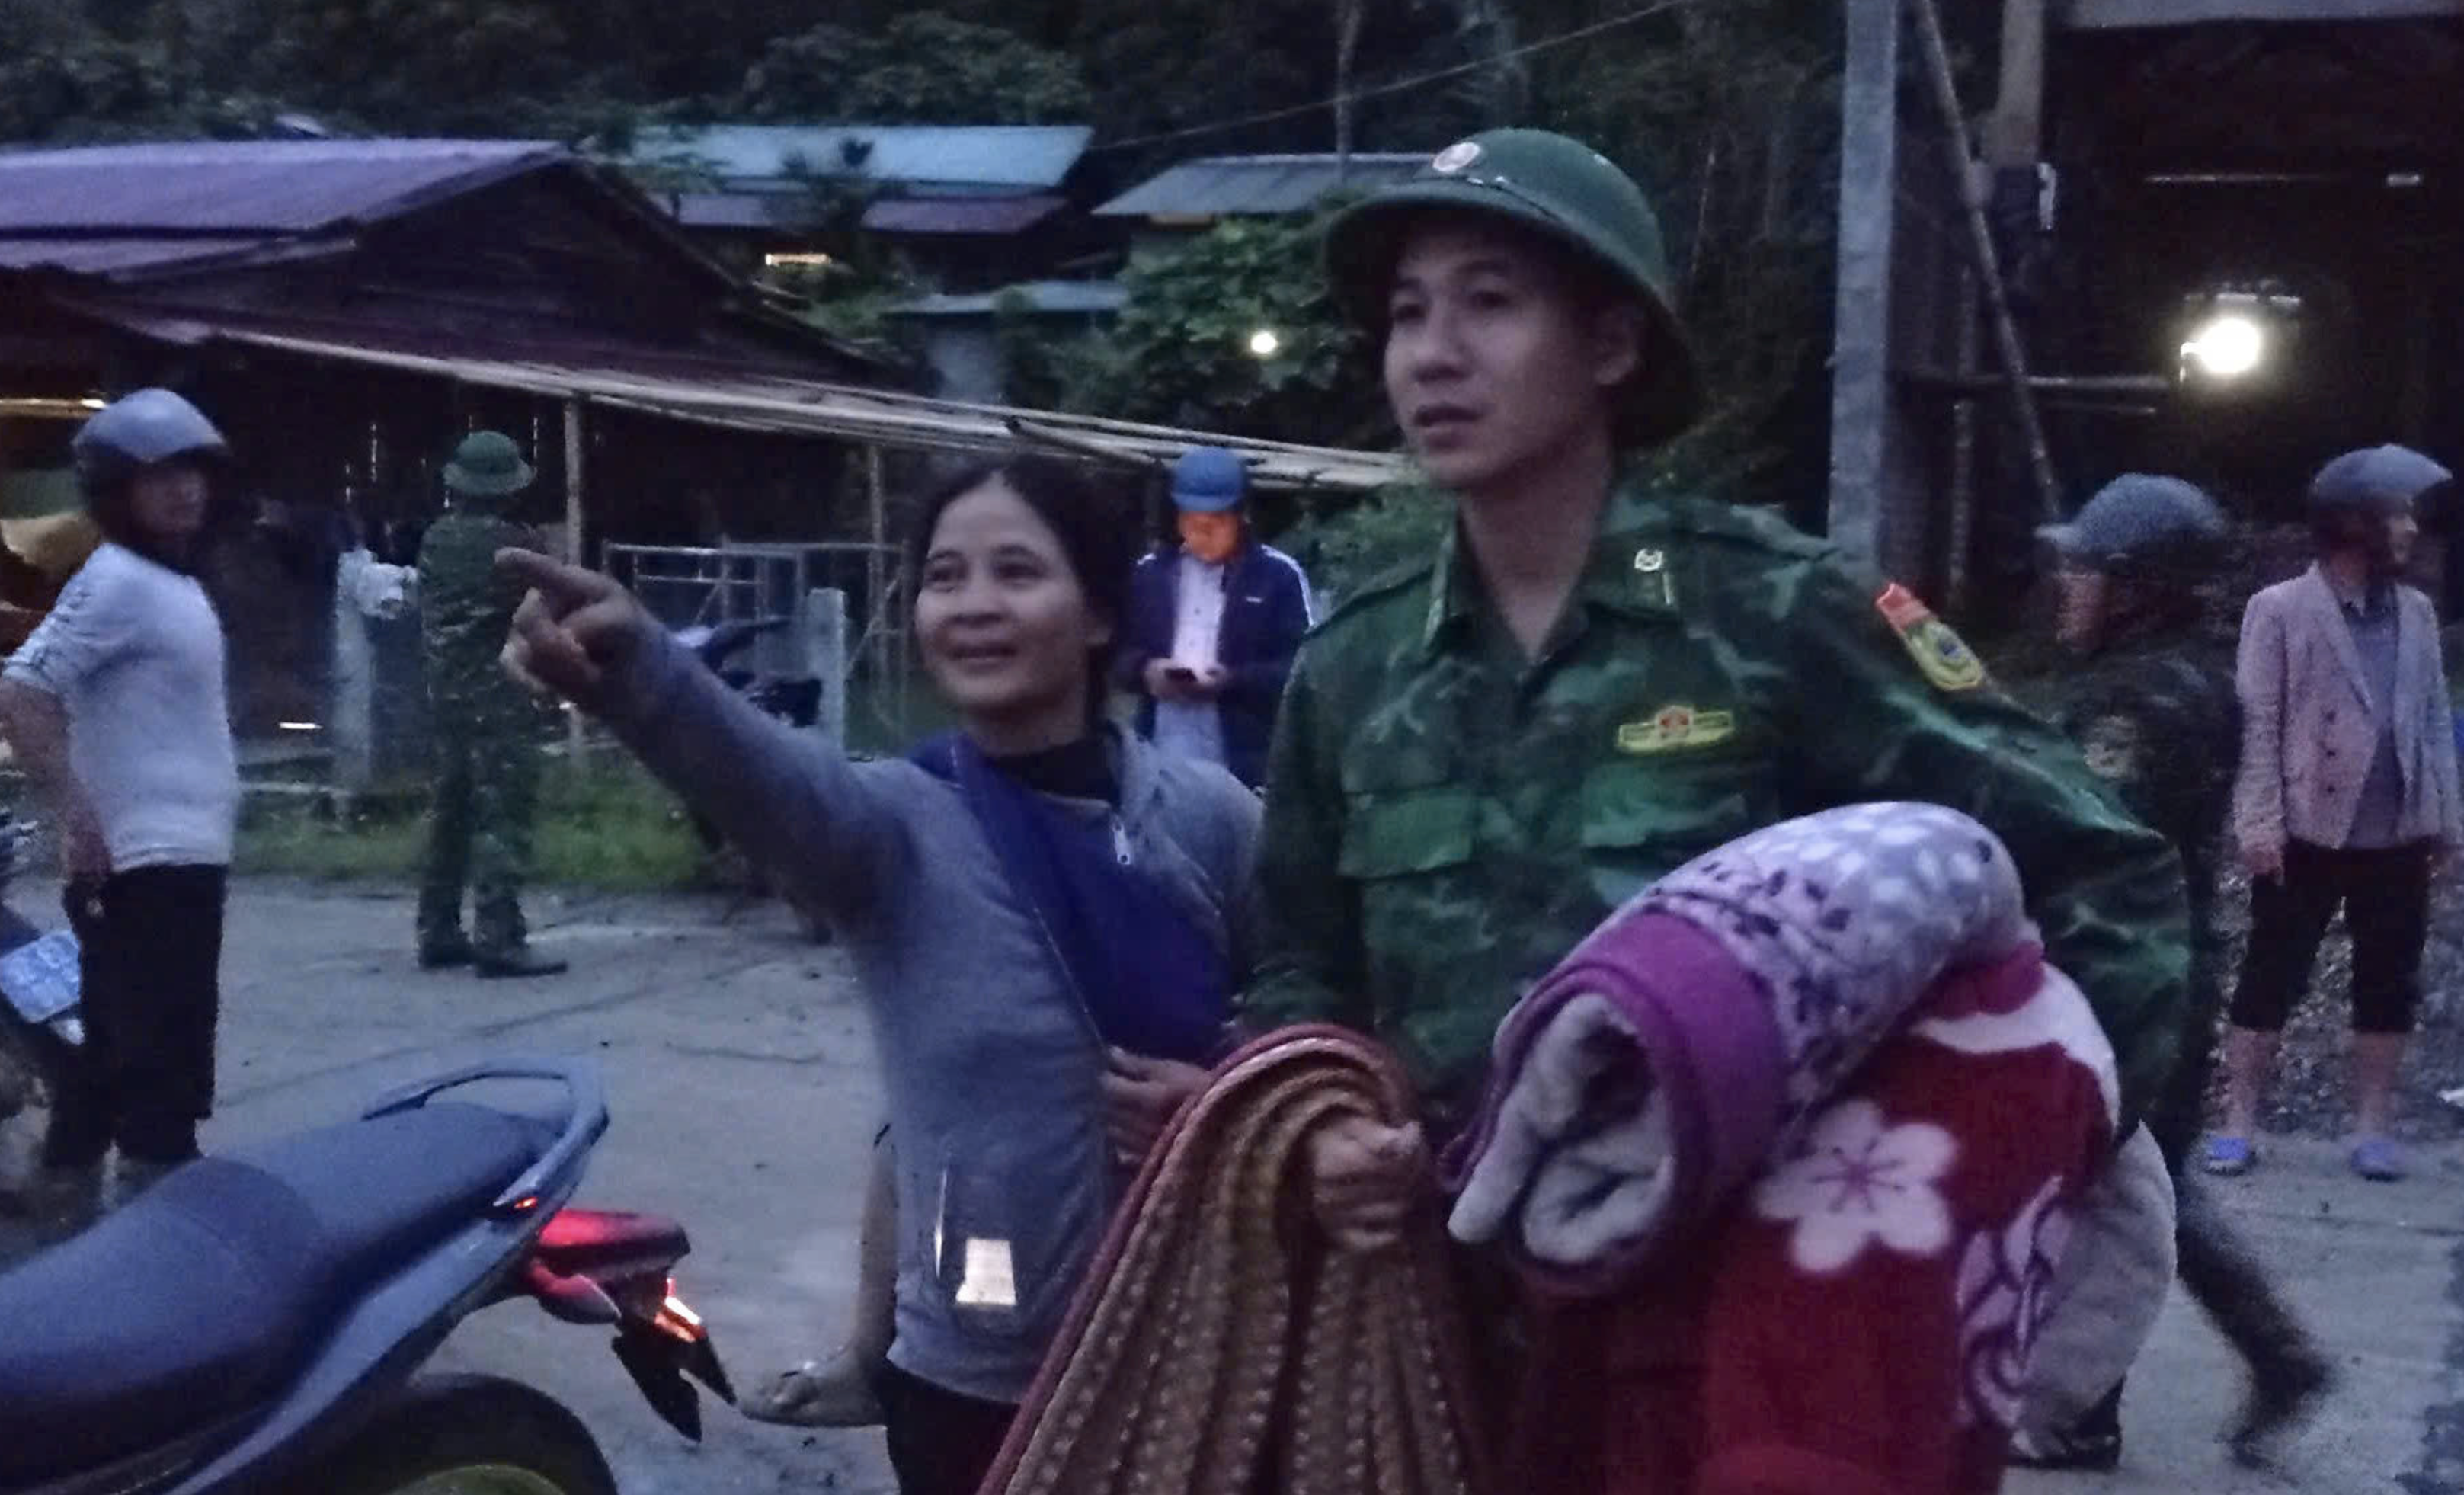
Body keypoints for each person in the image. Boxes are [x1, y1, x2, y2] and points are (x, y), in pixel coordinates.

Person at [1243, 128, 2190, 1491]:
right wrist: (1323, 1125)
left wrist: (1979, 1178)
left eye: (1487, 302)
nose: (1431, 354)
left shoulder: (1772, 609)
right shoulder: (1353, 667)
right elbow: (1294, 967)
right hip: (1434, 1356)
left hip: (1729, 1351)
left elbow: (2101, 873)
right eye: (1406, 312)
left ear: (1610, 343)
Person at [497, 456, 1257, 1495]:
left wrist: (1225, 1104)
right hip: (978, 1381)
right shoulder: (891, 830)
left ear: (1095, 616)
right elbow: (760, 775)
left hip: (1208, 1357)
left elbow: (1320, 1030)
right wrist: (641, 673)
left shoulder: (1211, 821)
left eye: (1016, 571)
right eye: (945, 576)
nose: (974, 604)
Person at [2014, 475, 2328, 1469]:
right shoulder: (2158, 676)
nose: (2069, 586)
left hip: (2128, 971)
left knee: (2113, 1181)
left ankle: (2081, 1407)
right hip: (2143, 963)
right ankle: (2274, 1358)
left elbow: (2085, 827)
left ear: (2140, 588)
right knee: (2139, 1176)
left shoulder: (2145, 699)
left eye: (2088, 571)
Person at [0, 389, 240, 1225]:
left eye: (192, 472)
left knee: (118, 1040)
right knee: (159, 1045)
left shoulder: (163, 581)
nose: (184, 490)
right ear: (114, 491)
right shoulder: (118, 582)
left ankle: (66, 1194)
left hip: (180, 850)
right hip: (143, 856)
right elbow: (24, 689)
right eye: (158, 477)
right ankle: (158, 1209)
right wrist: (75, 812)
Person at [2213, 443, 2460, 1183]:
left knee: (2388, 978)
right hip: (2306, 829)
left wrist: (2446, 819)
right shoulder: (2281, 610)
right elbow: (2257, 722)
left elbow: (2432, 719)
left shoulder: (2417, 612)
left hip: (2397, 828)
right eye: (2397, 516)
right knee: (2271, 974)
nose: (2410, 530)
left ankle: (2372, 1127)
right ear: (2355, 524)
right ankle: (2238, 1121)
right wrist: (2258, 822)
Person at [416, 430, 565, 978]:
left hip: (445, 695)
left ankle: (438, 930)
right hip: (501, 694)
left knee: (450, 813)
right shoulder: (517, 547)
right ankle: (500, 937)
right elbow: (548, 605)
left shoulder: (435, 539)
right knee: (503, 814)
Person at [1118, 445, 1315, 789]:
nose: (1203, 534)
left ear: (1242, 517)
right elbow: (1114, 652)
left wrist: (1233, 681)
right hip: (1159, 766)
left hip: (1246, 770)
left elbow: (1304, 670)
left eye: (1217, 523)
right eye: (1192, 523)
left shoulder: (1277, 576)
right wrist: (1145, 671)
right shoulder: (1150, 574)